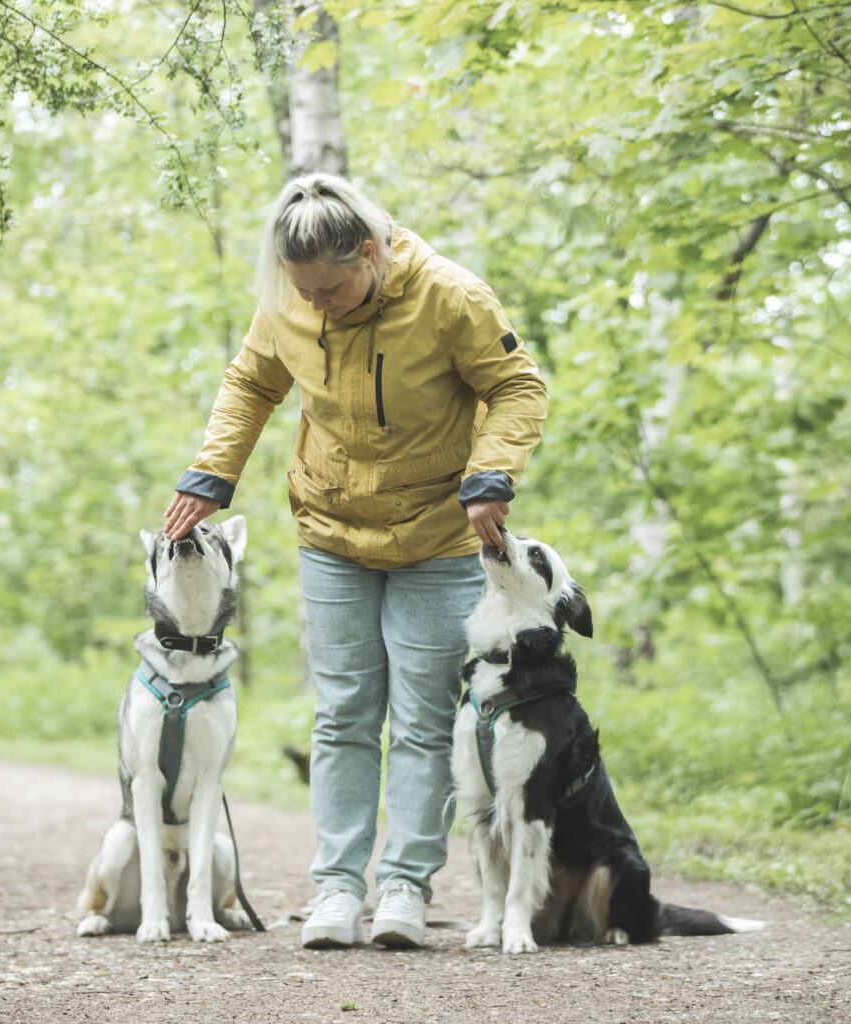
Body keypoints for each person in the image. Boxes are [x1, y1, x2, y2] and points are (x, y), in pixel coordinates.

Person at [163, 173, 547, 949]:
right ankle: (336, 890)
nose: (316, 304)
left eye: (331, 288)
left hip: (437, 534)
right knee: (341, 714)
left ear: (368, 254)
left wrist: (491, 475)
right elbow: (250, 384)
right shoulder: (290, 301)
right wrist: (212, 474)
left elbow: (516, 385)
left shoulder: (449, 296)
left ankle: (404, 886)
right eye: (303, 290)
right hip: (332, 533)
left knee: (422, 716)